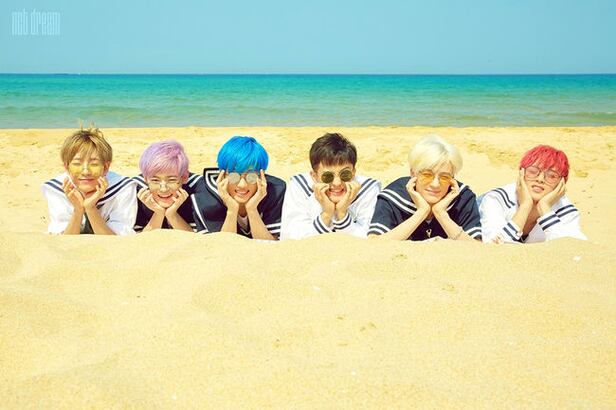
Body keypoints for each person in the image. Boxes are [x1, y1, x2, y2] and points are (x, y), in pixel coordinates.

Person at [368, 135, 481, 241]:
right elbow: (375, 243)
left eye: (444, 177)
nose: (435, 184)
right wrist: (422, 212)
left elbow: (476, 247)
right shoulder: (393, 196)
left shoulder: (463, 198)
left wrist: (441, 214)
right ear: (413, 173)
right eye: (427, 175)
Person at [280, 132, 381, 239]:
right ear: (314, 176)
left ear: (354, 172)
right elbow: (290, 238)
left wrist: (342, 214)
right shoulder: (300, 186)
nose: (337, 183)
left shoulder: (368, 189)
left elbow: (370, 239)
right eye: (328, 176)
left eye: (345, 174)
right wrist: (327, 214)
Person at [479, 144, 587, 243]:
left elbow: (572, 247)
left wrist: (545, 208)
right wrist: (525, 206)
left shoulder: (565, 210)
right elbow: (494, 245)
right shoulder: (496, 199)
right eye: (533, 171)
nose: (540, 179)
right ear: (521, 173)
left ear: (561, 183)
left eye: (551, 176)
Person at [41, 127, 136, 235]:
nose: (86, 172)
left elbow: (116, 239)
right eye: (77, 163)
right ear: (67, 167)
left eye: (94, 164)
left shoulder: (123, 188)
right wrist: (78, 209)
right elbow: (65, 239)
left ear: (106, 167)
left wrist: (90, 208)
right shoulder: (57, 189)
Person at [191, 136, 285, 239]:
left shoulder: (275, 190)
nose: (242, 185)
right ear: (222, 175)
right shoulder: (205, 196)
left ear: (262, 175)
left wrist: (252, 209)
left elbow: (270, 244)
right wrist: (232, 210)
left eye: (251, 176)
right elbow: (222, 244)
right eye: (234, 176)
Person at [132, 140, 205, 232]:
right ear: (145, 179)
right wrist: (158, 213)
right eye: (155, 180)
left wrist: (172, 215)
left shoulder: (198, 190)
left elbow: (196, 239)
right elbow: (140, 239)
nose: (163, 189)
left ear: (184, 177)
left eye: (171, 180)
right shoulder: (135, 190)